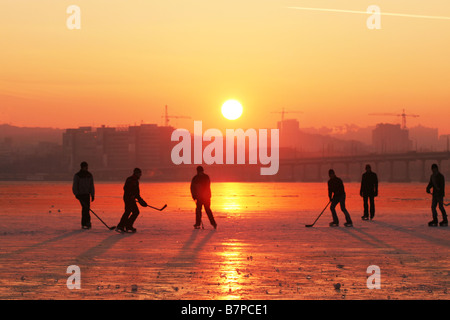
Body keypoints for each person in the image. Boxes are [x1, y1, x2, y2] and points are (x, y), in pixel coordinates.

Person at [116, 168, 148, 233]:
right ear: (136, 173)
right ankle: (120, 226)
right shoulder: (130, 180)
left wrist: (141, 201)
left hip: (132, 199)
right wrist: (131, 195)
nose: (140, 175)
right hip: (128, 198)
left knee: (135, 212)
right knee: (128, 211)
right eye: (139, 173)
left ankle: (128, 226)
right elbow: (125, 188)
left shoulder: (136, 181)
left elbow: (137, 193)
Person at [72, 161, 95, 229]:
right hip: (81, 194)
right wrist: (76, 194)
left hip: (87, 194)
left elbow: (91, 186)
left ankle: (86, 222)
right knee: (85, 208)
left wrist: (92, 195)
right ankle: (85, 222)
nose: (86, 168)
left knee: (86, 208)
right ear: (82, 167)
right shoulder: (78, 175)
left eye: (87, 167)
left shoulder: (89, 175)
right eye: (85, 167)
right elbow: (75, 185)